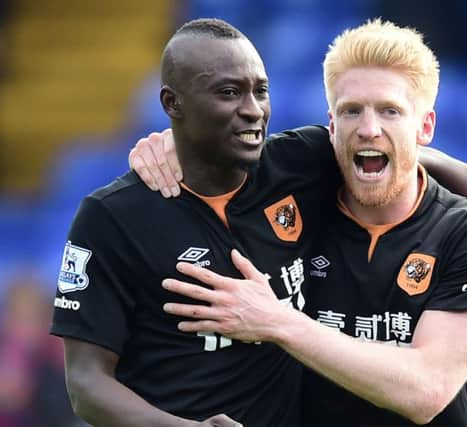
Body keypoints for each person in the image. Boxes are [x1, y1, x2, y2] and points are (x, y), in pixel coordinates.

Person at [149, 19, 467, 426]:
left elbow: (426, 389)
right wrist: (179, 146)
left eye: (390, 111)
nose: (369, 130)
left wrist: (278, 321)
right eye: (352, 111)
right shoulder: (298, 205)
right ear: (331, 126)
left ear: (425, 126)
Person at [51, 18, 346, 427]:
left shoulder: (300, 163)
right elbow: (85, 383)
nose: (253, 110)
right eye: (229, 93)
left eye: (261, 91)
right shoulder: (111, 218)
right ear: (173, 104)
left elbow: (402, 161)